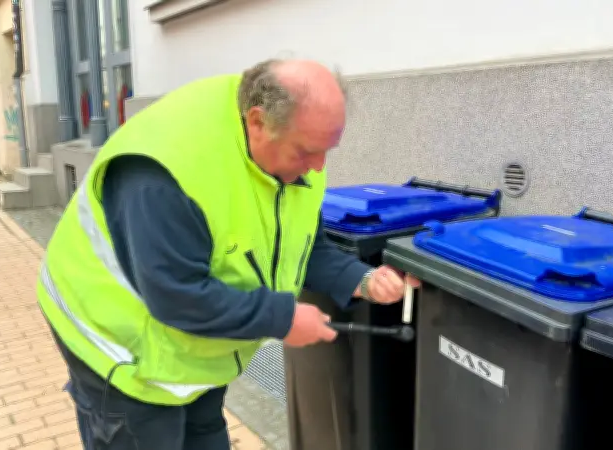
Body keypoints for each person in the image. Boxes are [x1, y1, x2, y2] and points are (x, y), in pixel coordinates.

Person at [37, 58, 419, 450]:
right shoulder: (167, 174)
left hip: (193, 350)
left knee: (203, 431)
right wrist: (282, 317)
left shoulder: (292, 147)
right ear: (257, 122)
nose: (319, 167)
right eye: (307, 151)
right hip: (118, 345)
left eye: (327, 149)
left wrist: (362, 280)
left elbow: (302, 244)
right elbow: (176, 297)